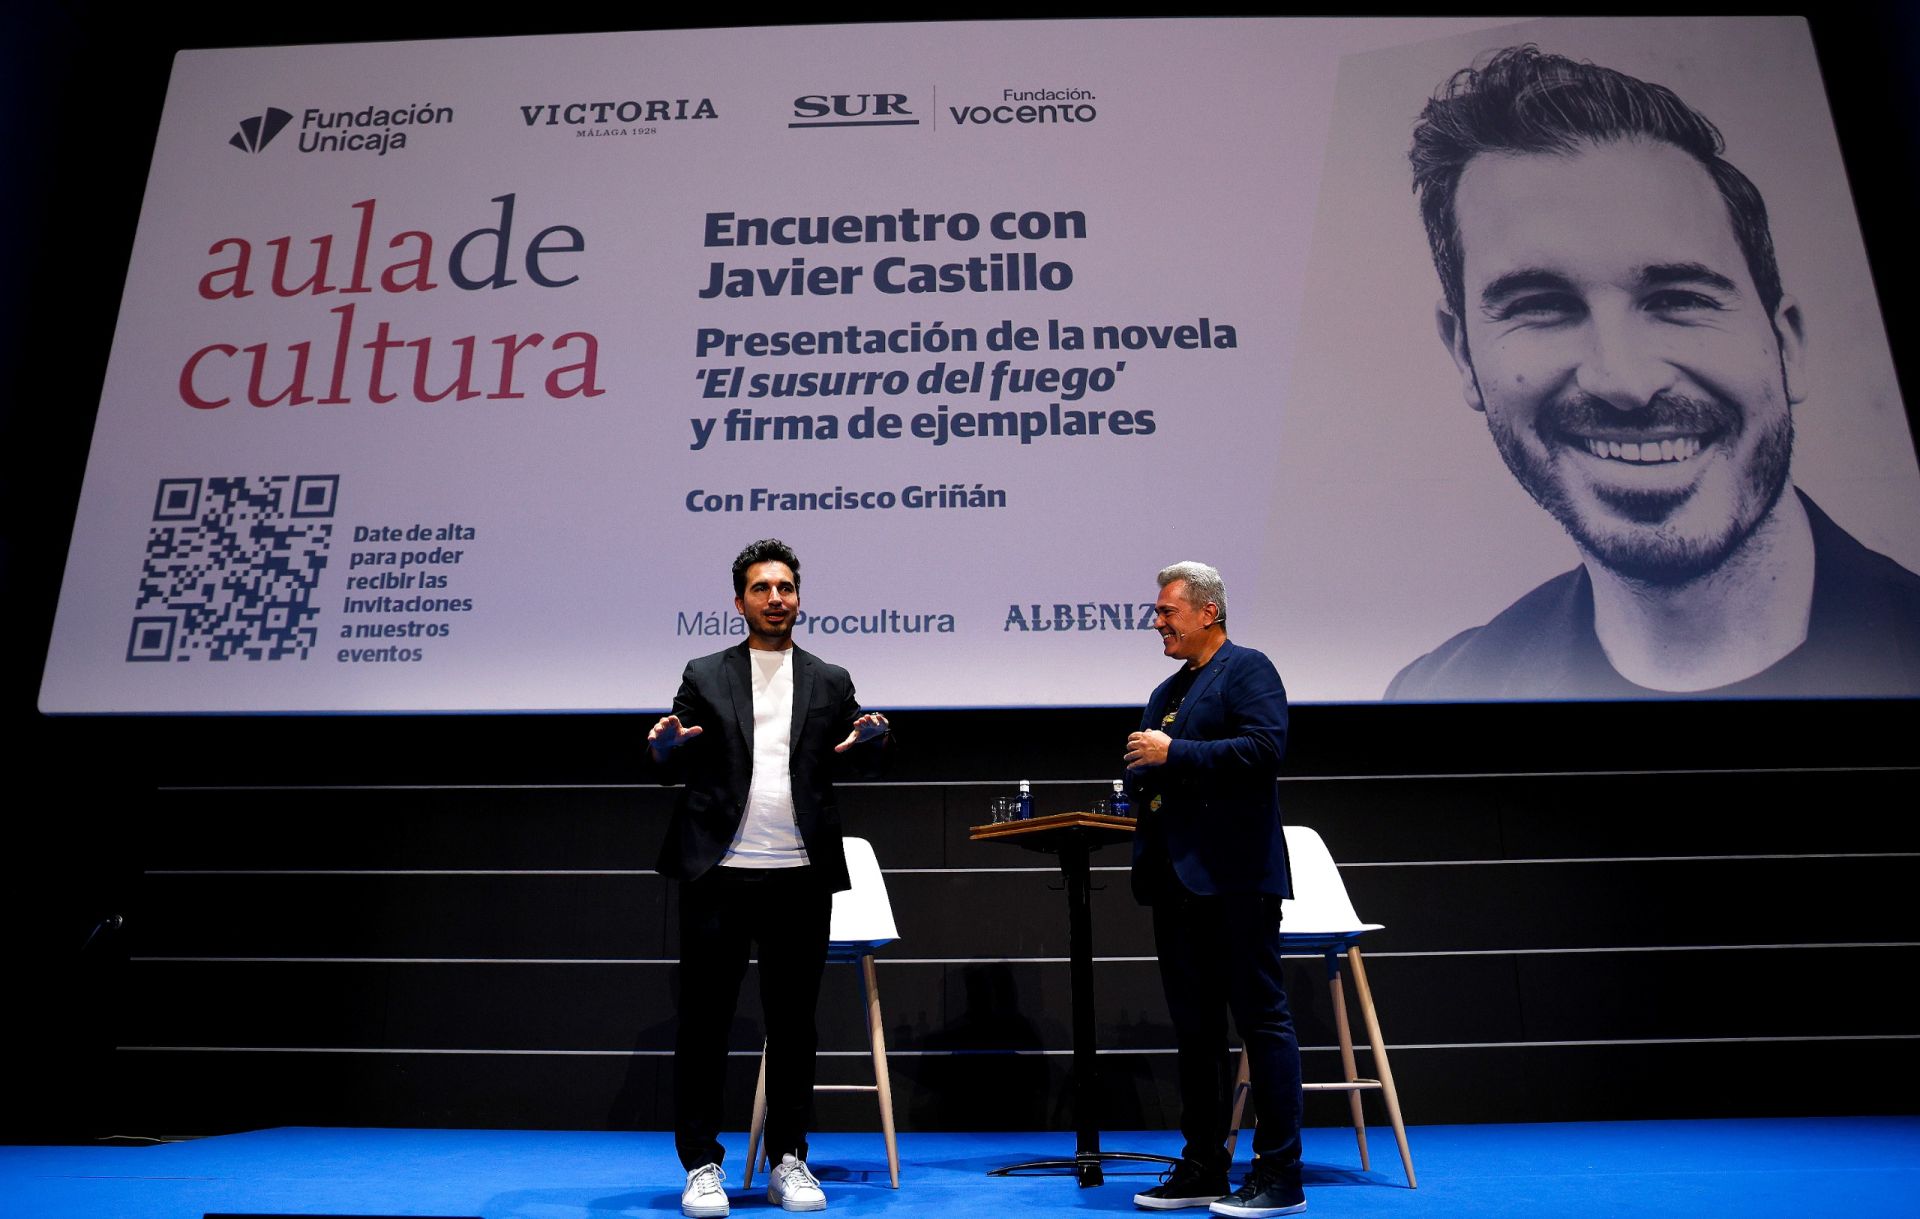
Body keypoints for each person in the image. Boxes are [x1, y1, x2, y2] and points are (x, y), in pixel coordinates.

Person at [1389, 45, 1920, 700]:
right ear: (1465, 355)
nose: (1626, 382)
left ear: (1787, 343)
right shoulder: (1439, 691)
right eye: (1540, 307)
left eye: (1680, 300)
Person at [648, 538, 890, 1217]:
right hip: (718, 874)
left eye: (785, 586)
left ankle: (789, 1158)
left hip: (798, 877)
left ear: (799, 597)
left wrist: (876, 740)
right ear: (739, 601)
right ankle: (701, 1164)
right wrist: (664, 747)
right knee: (704, 1025)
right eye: (762, 587)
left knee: (794, 1026)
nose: (776, 597)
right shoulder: (705, 672)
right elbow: (674, 751)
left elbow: (864, 753)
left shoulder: (830, 678)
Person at [1125, 562, 1304, 1218]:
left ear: (1208, 612)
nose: (1157, 621)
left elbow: (1264, 748)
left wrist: (1174, 755)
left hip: (1235, 878)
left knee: (1262, 1021)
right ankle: (1203, 1165)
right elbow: (1158, 774)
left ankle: (1281, 1175)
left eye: (1167, 610)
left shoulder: (1250, 669)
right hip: (1175, 882)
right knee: (1195, 1031)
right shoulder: (1165, 690)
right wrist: (1143, 778)